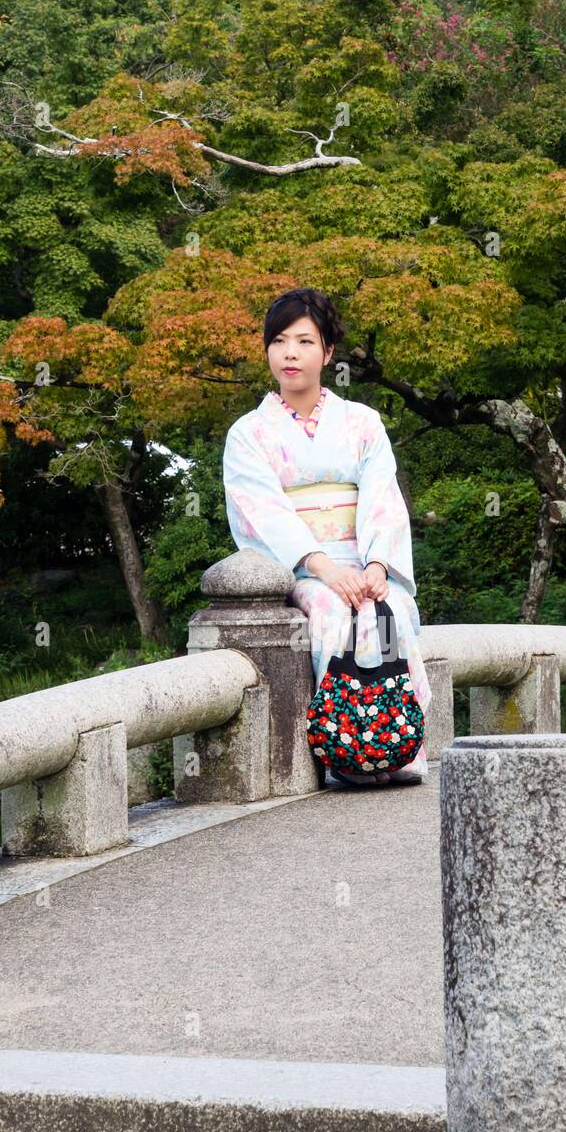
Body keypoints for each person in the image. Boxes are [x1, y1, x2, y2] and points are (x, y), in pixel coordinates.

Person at [222, 286, 432, 787]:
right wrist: (324, 568)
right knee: (333, 612)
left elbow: (382, 495)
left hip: (364, 556)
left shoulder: (361, 422)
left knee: (392, 613)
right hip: (301, 566)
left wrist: (378, 565)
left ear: (328, 352)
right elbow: (265, 512)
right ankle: (347, 752)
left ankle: (397, 749)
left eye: (303, 341)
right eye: (278, 342)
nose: (289, 353)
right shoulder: (248, 433)